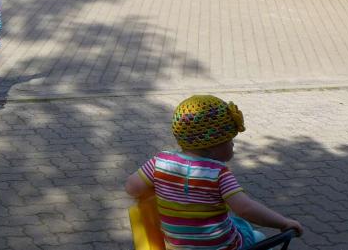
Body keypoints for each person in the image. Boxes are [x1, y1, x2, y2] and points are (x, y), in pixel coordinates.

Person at [125, 95, 303, 250]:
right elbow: (246, 209)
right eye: (230, 140)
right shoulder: (218, 174)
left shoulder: (160, 162)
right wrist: (283, 222)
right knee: (257, 236)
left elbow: (132, 188)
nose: (233, 144)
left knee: (236, 224)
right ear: (214, 146)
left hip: (177, 247)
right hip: (224, 247)